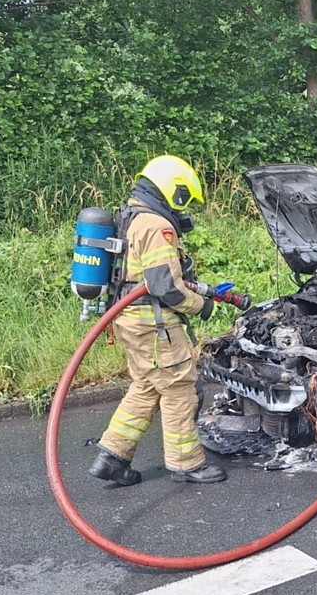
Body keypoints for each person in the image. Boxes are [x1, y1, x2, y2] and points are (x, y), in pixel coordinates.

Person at [88, 155, 227, 486]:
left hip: (129, 321)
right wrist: (202, 306)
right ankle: (186, 463)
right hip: (154, 325)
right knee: (180, 389)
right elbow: (166, 287)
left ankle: (112, 457)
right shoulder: (156, 226)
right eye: (183, 201)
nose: (182, 210)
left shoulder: (131, 216)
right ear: (172, 191)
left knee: (147, 386)